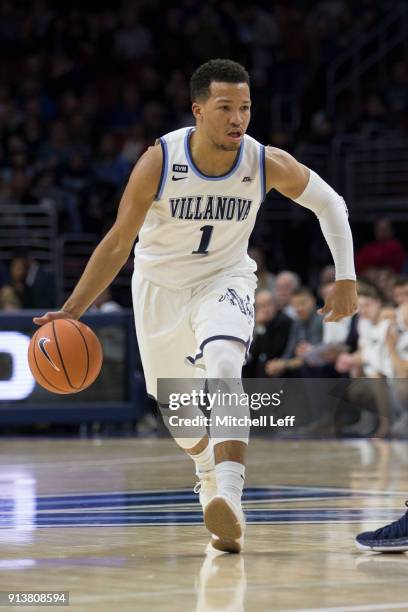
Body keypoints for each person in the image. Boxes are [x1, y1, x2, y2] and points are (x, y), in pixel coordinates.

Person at [33, 59, 357, 554]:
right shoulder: (160, 161)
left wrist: (347, 277)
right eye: (225, 107)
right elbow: (120, 242)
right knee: (180, 418)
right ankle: (206, 477)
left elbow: (331, 203)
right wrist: (73, 310)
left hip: (223, 279)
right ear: (198, 110)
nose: (238, 119)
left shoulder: (264, 161)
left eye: (245, 108)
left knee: (225, 362)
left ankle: (231, 493)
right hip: (159, 288)